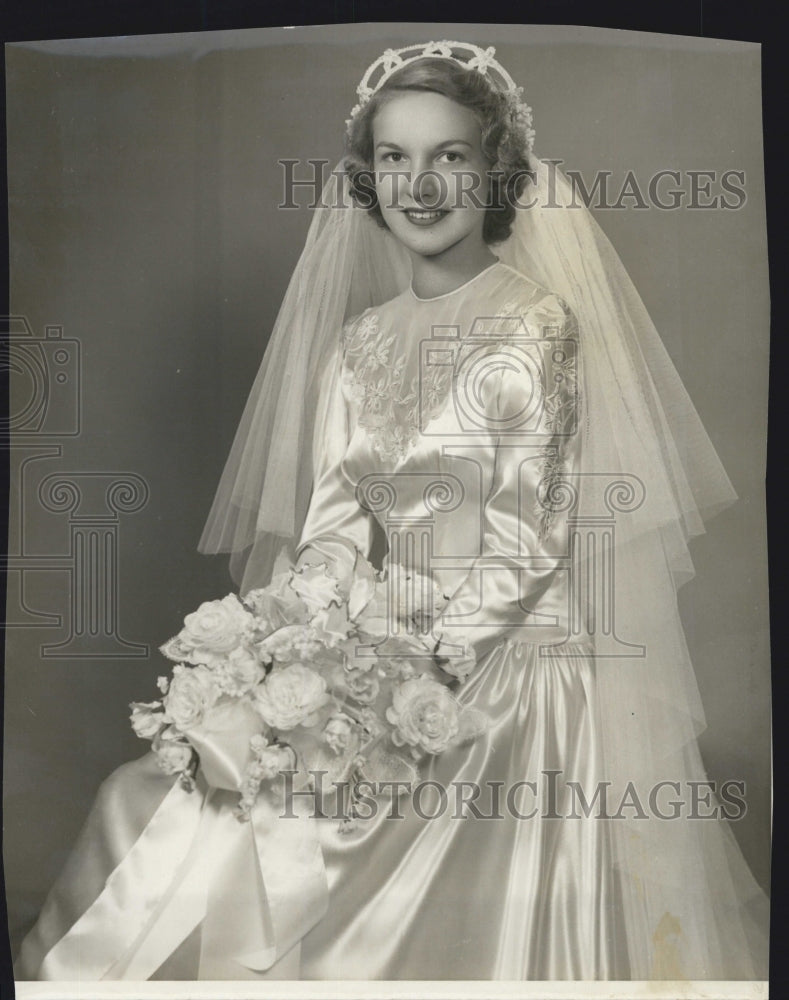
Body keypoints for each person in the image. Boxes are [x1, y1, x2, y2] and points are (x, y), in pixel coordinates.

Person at [16, 40, 769, 982]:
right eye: (393, 157)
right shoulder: (356, 344)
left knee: (326, 802)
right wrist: (286, 652)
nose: (419, 185)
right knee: (156, 796)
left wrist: (400, 674)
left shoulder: (534, 325)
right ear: (367, 177)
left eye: (449, 156)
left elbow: (526, 551)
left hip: (503, 663)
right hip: (372, 645)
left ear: (493, 168)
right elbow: (332, 534)